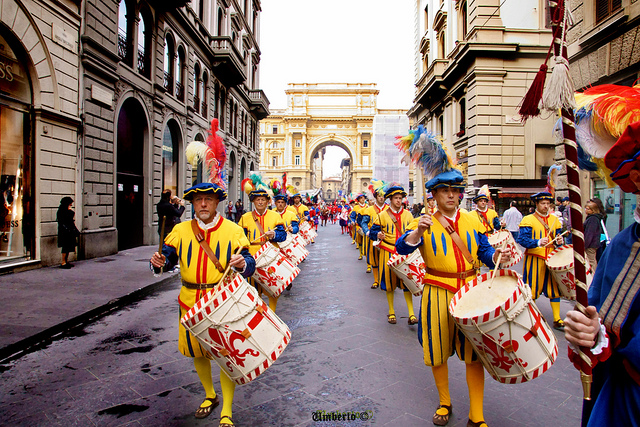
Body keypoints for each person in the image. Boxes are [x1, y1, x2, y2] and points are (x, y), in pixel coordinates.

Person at [396, 169, 510, 427]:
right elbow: (402, 248)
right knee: (437, 350)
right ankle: (444, 402)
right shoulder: (422, 221)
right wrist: (417, 234)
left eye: (455, 191)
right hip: (437, 291)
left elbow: (484, 249)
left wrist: (495, 257)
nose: (450, 195)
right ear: (434, 195)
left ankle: (476, 416)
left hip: (470, 292)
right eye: (444, 190)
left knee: (475, 354)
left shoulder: (472, 220)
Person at [150, 182, 256, 425]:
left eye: (208, 199)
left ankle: (226, 411)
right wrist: (158, 262)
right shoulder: (180, 230)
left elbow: (250, 264)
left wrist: (242, 264)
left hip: (222, 302)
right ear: (193, 204)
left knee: (225, 355)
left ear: (217, 202)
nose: (204, 204)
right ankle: (210, 395)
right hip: (189, 302)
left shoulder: (232, 230)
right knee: (197, 352)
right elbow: (166, 259)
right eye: (199, 200)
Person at [563, 120, 640, 427]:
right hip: (629, 401)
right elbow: (599, 321)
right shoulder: (624, 245)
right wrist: (590, 333)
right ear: (636, 176)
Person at [368, 183, 418, 325]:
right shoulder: (382, 215)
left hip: (404, 253)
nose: (398, 201)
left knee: (407, 282)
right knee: (389, 282)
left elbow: (414, 232)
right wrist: (377, 234)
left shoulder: (408, 215)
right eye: (396, 198)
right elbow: (372, 232)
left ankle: (411, 314)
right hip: (388, 251)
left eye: (400, 198)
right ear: (390, 199)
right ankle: (391, 312)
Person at [516, 191, 565, 330]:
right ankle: (530, 317)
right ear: (536, 204)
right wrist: (537, 242)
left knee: (554, 288)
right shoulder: (528, 219)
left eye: (548, 204)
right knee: (532, 288)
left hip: (552, 259)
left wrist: (560, 241)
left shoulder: (555, 220)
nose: (545, 206)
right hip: (534, 259)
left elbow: (558, 239)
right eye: (543, 203)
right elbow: (522, 240)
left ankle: (557, 318)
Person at [238, 180, 287, 312]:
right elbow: (239, 239)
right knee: (252, 287)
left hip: (270, 256)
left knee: (272, 287)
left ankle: (272, 312)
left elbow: (283, 236)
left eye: (263, 200)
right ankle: (258, 312)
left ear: (267, 202)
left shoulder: (275, 216)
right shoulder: (244, 218)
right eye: (257, 199)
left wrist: (274, 234)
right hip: (252, 257)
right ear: (253, 202)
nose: (260, 202)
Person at [360, 181, 388, 284]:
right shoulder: (369, 209)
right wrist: (367, 231)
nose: (381, 198)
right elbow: (364, 222)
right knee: (375, 260)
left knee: (386, 260)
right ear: (375, 197)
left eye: (383, 196)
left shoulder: (389, 209)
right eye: (379, 196)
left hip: (386, 238)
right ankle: (376, 280)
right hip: (373, 237)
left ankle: (385, 279)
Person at [57, 196, 80, 269]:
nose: (71, 205)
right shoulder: (61, 211)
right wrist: (69, 211)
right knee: (65, 247)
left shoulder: (66, 211)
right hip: (65, 232)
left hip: (69, 231)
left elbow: (71, 218)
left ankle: (66, 261)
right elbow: (64, 220)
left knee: (69, 247)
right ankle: (63, 262)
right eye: (70, 204)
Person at [584, 198, 606, 271]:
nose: (585, 210)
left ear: (592, 210)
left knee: (591, 261)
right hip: (593, 243)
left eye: (587, 209)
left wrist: (585, 245)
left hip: (591, 245)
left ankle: (593, 276)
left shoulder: (592, 219)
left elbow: (590, 233)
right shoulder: (593, 218)